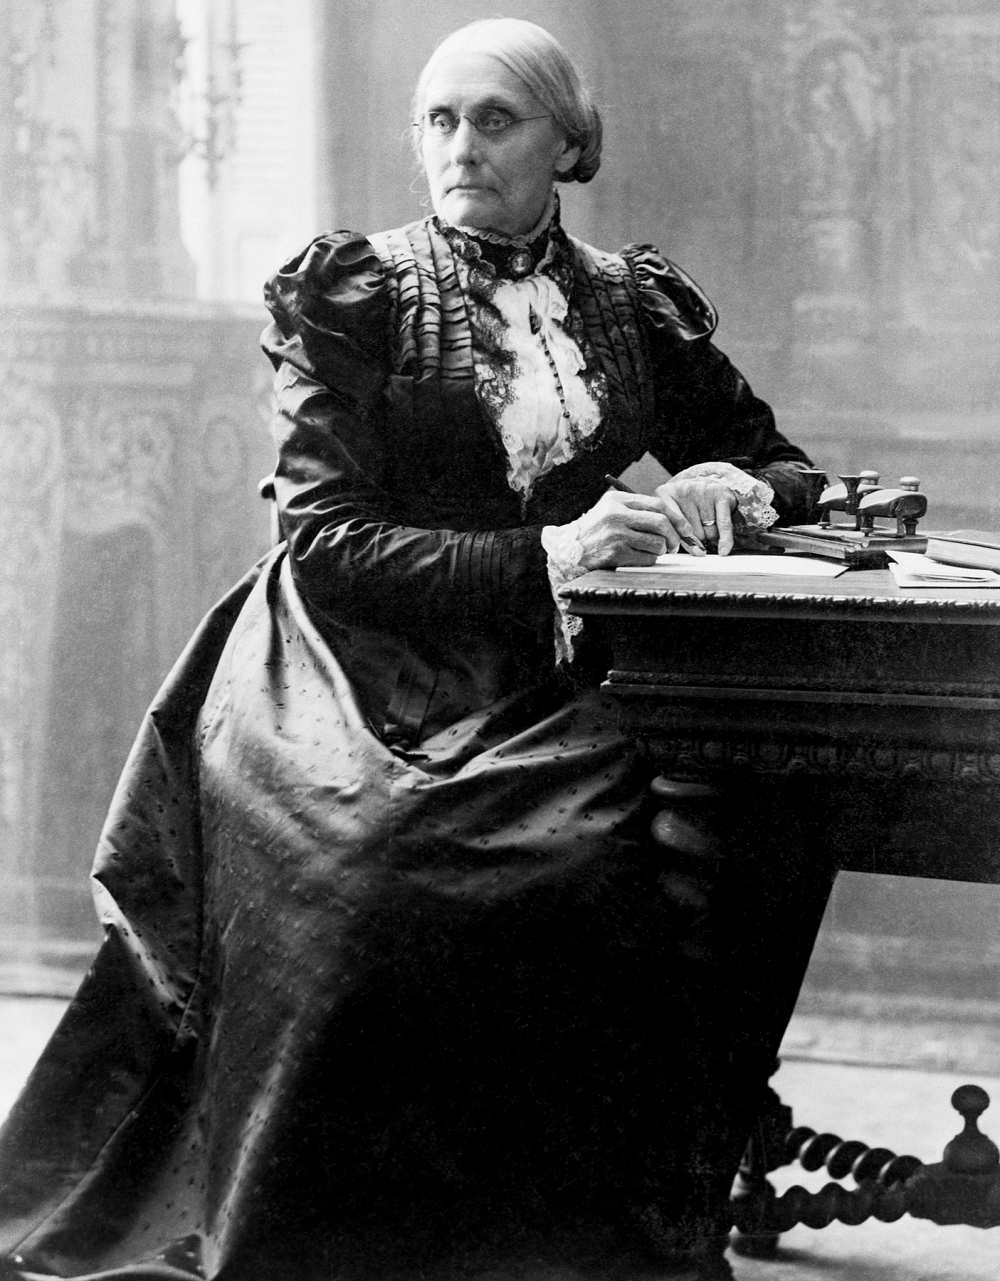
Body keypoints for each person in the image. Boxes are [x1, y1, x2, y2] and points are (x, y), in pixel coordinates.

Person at [0, 19, 835, 1281]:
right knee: (394, 869)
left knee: (693, 837)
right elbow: (328, 539)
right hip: (354, 657)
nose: (459, 147)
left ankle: (605, 1215)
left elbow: (787, 467)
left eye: (494, 120)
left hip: (564, 661)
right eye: (436, 121)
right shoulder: (357, 294)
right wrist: (552, 555)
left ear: (568, 140)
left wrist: (732, 483)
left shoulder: (624, 301)